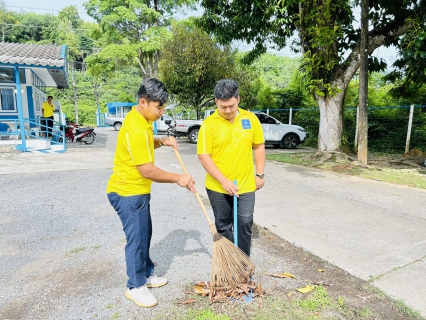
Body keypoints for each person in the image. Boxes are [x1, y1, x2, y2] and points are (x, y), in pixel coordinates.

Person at [106, 78, 196, 308]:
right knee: (136, 240)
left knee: (144, 234)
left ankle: (146, 274)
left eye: (163, 107)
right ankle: (135, 286)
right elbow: (146, 170)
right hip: (127, 192)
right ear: (143, 102)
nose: (162, 111)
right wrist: (179, 178)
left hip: (138, 192)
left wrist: (161, 141)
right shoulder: (135, 126)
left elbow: (145, 143)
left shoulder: (142, 119)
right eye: (159, 107)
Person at [197, 79, 265, 257]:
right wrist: (223, 181)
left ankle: (243, 265)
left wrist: (260, 174)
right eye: (223, 107)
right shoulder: (209, 124)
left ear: (238, 99)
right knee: (223, 225)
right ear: (216, 102)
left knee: (244, 222)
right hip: (217, 186)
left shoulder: (250, 119)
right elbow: (204, 157)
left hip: (245, 184)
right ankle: (230, 265)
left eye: (231, 106)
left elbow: (258, 146)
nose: (227, 111)